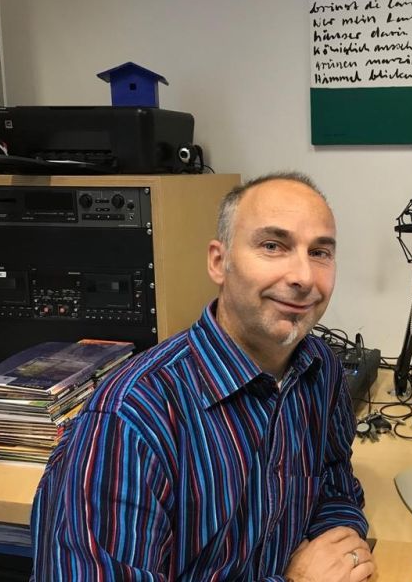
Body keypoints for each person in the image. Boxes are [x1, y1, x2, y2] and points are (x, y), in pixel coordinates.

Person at [30, 173, 376, 581]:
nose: (303, 276)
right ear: (218, 262)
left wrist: (341, 547)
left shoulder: (319, 369)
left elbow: (335, 482)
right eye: (272, 246)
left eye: (319, 252)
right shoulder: (130, 420)